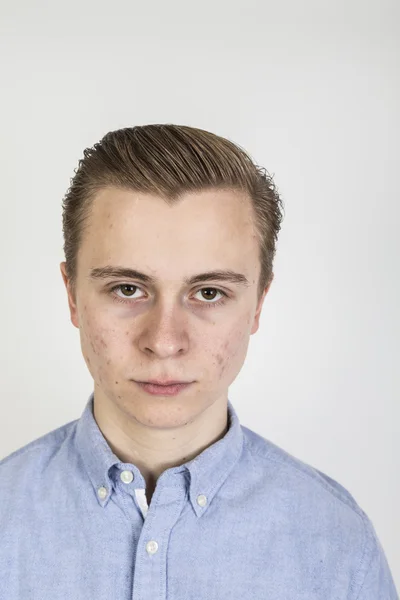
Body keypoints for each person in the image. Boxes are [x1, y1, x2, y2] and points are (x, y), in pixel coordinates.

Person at [0, 124, 397, 599]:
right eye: (127, 289)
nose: (165, 342)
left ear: (258, 304)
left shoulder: (337, 545)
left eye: (209, 293)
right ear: (72, 295)